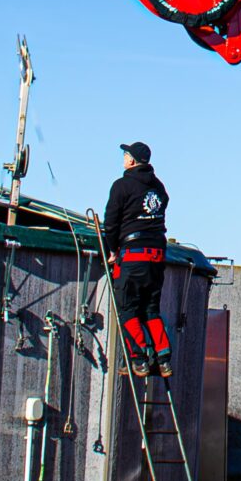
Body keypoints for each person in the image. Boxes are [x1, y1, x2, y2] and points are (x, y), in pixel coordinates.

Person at [103, 142, 172, 376]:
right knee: (151, 309)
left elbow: (111, 222)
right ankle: (163, 359)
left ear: (132, 161)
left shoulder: (122, 186)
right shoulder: (159, 187)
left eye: (126, 154)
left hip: (132, 256)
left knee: (128, 309)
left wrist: (111, 250)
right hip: (157, 257)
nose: (123, 157)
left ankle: (139, 358)